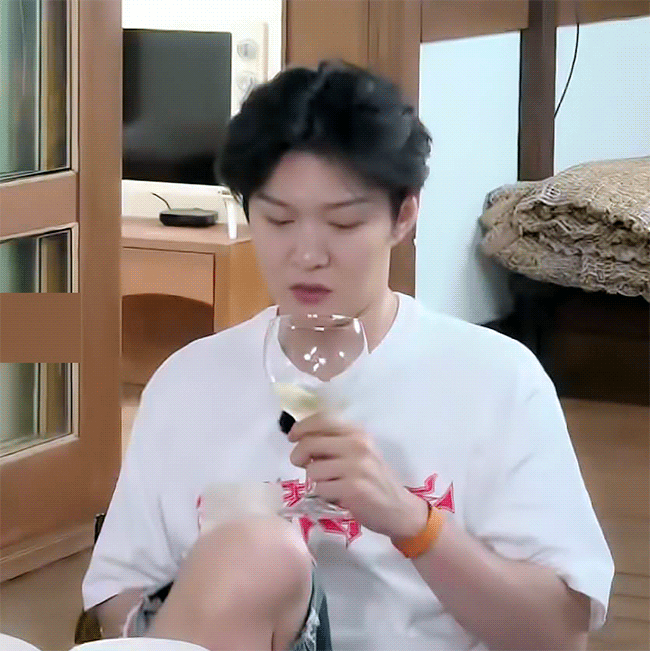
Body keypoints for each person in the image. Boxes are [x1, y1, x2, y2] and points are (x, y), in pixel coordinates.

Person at [82, 60, 614, 651]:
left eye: (343, 223)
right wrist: (222, 590)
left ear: (403, 215)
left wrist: (411, 522)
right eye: (279, 219)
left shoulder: (496, 381)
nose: (307, 254)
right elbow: (119, 594)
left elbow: (559, 635)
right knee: (255, 551)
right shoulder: (191, 381)